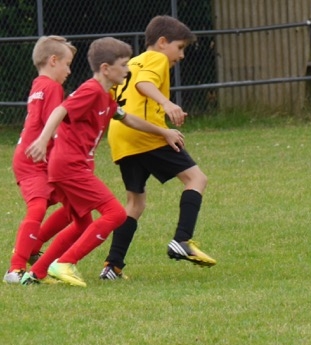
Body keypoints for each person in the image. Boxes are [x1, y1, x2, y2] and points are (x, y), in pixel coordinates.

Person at [21, 37, 185, 287]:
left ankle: (36, 273)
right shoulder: (91, 90)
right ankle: (65, 263)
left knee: (82, 222)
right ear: (106, 68)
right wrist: (43, 140)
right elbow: (60, 110)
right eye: (124, 65)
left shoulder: (106, 97)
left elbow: (127, 118)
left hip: (67, 166)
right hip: (70, 166)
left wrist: (163, 132)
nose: (128, 70)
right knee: (116, 214)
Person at [100, 15, 215, 281]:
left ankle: (112, 266)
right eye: (180, 47)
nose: (181, 55)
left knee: (135, 203)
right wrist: (167, 103)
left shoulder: (131, 62)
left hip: (121, 135)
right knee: (196, 179)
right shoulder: (156, 58)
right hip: (146, 134)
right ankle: (182, 240)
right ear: (162, 42)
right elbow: (144, 85)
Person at [3, 36, 77, 285]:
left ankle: (32, 247)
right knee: (37, 207)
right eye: (67, 64)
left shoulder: (39, 84)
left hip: (31, 156)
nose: (69, 71)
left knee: (73, 207)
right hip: (35, 159)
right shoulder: (53, 87)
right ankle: (15, 268)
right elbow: (52, 124)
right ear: (53, 60)